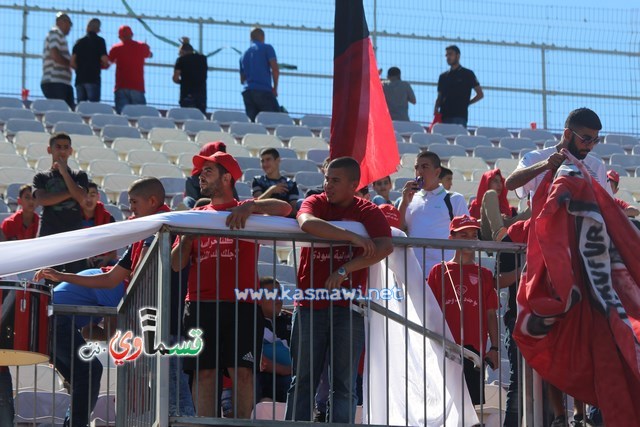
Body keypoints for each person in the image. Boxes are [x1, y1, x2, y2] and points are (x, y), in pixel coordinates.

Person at [504, 108, 609, 427]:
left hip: (580, 264)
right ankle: (556, 417)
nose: (591, 145)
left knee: (577, 342)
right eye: (586, 138)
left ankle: (577, 416)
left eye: (595, 139)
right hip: (540, 264)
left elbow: (604, 209)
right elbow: (511, 184)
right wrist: (546, 165)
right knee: (545, 342)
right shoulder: (537, 155)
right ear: (567, 134)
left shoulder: (595, 165)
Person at [171, 151, 292, 418]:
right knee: (204, 374)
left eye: (208, 171)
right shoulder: (196, 214)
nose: (201, 176)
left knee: (244, 374)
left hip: (243, 305)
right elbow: (176, 263)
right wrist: (188, 240)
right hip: (200, 304)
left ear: (227, 178)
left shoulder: (248, 209)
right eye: (201, 172)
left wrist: (251, 206)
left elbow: (285, 208)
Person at [285, 157, 393, 422]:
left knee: (344, 386)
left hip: (349, 309)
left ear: (353, 184)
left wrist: (346, 269)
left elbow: (385, 246)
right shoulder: (316, 201)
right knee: (302, 381)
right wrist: (351, 236)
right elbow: (306, 222)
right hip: (310, 305)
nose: (327, 185)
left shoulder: (367, 210)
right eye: (326, 179)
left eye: (335, 180)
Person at [426, 215, 499, 405]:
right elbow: (429, 311)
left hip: (474, 353)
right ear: (452, 238)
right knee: (443, 406)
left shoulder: (485, 274)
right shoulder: (437, 271)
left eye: (473, 235)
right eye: (464, 235)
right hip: (444, 347)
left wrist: (495, 348)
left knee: (473, 410)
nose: (470, 239)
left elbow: (491, 313)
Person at [50, 269, 125, 427]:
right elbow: (112, 336)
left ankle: (74, 423)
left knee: (82, 378)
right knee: (90, 371)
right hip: (57, 320)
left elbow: (88, 331)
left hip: (51, 320)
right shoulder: (117, 285)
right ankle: (77, 424)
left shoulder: (104, 279)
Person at [0, 184, 40, 424]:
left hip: (0, 364)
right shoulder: (8, 225)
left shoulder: (40, 223)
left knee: (5, 405)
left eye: (33, 198)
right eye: (28, 197)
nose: (32, 202)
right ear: (19, 200)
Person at [398, 151, 469, 274]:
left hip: (445, 273)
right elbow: (398, 230)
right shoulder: (407, 199)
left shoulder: (455, 199)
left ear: (437, 172)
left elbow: (467, 235)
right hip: (413, 272)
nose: (419, 171)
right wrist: (404, 202)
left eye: (424, 167)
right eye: (416, 167)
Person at [33, 133, 89, 274]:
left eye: (66, 147)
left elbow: (82, 198)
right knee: (47, 278)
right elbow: (43, 200)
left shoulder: (79, 175)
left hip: (74, 234)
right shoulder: (41, 177)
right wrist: (72, 192)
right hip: (49, 234)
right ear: (49, 150)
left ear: (71, 151)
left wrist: (65, 173)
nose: (62, 151)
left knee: (74, 278)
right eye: (58, 147)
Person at [256, 277, 292, 403]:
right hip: (258, 377)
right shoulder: (249, 321)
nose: (278, 299)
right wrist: (285, 369)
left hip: (287, 378)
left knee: (297, 383)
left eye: (280, 294)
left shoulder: (292, 321)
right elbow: (256, 360)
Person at [469, 169, 530, 242]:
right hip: (488, 235)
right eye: (495, 181)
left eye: (501, 181)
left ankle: (503, 235)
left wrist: (502, 219)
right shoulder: (475, 206)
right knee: (490, 194)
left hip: (508, 235)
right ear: (486, 182)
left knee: (533, 208)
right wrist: (496, 217)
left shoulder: (509, 208)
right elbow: (470, 227)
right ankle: (499, 233)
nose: (499, 184)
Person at [434, 45, 483, 127]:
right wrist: (436, 109)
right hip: (444, 116)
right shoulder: (443, 76)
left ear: (458, 56)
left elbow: (480, 94)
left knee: (458, 137)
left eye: (450, 54)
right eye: (446, 55)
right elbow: (439, 97)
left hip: (460, 116)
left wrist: (467, 103)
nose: (448, 57)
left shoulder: (468, 74)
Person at [108, 25, 152, 114]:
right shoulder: (141, 46)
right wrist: (147, 47)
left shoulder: (116, 48)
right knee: (139, 117)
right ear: (132, 34)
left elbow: (107, 63)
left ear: (120, 37)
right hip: (137, 86)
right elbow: (150, 55)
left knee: (122, 117)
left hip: (121, 86)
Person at [239, 27, 280, 121]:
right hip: (263, 91)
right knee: (274, 121)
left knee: (253, 124)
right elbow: (275, 69)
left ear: (251, 38)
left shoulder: (243, 55)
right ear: (262, 37)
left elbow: (242, 80)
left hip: (248, 93)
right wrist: (275, 88)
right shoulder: (267, 48)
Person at [184, 141, 238, 208]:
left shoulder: (226, 180)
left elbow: (235, 203)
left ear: (226, 178)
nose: (201, 176)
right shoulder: (191, 181)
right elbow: (194, 205)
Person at [71, 18, 109, 103]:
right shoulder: (100, 41)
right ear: (98, 29)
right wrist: (104, 64)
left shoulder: (78, 42)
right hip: (93, 78)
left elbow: (72, 62)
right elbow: (104, 59)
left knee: (81, 108)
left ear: (87, 27)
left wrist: (79, 69)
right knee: (93, 108)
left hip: (80, 80)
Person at [41, 12, 74, 108]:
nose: (70, 27)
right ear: (61, 22)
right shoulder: (55, 33)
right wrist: (70, 63)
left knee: (67, 113)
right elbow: (54, 54)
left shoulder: (58, 36)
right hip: (55, 81)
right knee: (61, 112)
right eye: (69, 23)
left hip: (61, 82)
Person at [252, 148, 299, 214]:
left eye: (268, 160)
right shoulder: (257, 180)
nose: (265, 164)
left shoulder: (290, 184)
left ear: (278, 160)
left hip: (284, 220)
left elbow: (293, 209)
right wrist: (271, 190)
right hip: (263, 219)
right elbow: (255, 203)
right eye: (262, 161)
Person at [82, 181, 117, 267]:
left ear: (98, 197)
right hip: (79, 259)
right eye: (85, 195)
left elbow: (113, 252)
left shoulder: (108, 218)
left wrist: (105, 259)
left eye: (92, 195)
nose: (89, 199)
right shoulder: (73, 218)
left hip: (102, 259)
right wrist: (84, 257)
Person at [173, 37, 207, 114]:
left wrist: (181, 81)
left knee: (188, 117)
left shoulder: (181, 60)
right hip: (201, 96)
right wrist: (186, 43)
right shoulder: (203, 59)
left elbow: (175, 78)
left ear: (182, 52)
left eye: (179, 53)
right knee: (200, 119)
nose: (179, 55)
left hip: (187, 94)